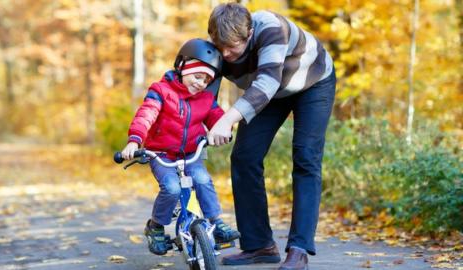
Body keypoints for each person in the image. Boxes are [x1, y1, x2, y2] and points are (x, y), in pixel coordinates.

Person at [206, 3, 336, 270]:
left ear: (250, 33)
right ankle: (259, 246)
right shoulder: (217, 47)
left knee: (306, 158)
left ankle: (299, 250)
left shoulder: (271, 29)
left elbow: (266, 83)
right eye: (220, 47)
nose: (226, 54)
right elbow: (205, 94)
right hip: (271, 91)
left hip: (312, 82)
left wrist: (228, 120)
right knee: (244, 157)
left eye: (232, 47)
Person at [120, 38, 240, 256]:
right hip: (162, 155)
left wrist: (224, 129)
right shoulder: (161, 91)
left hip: (191, 154)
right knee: (172, 188)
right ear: (183, 67)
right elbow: (146, 114)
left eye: (206, 80)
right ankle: (156, 226)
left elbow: (216, 117)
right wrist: (135, 140)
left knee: (202, 180)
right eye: (197, 76)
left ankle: (216, 222)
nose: (201, 83)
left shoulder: (205, 98)